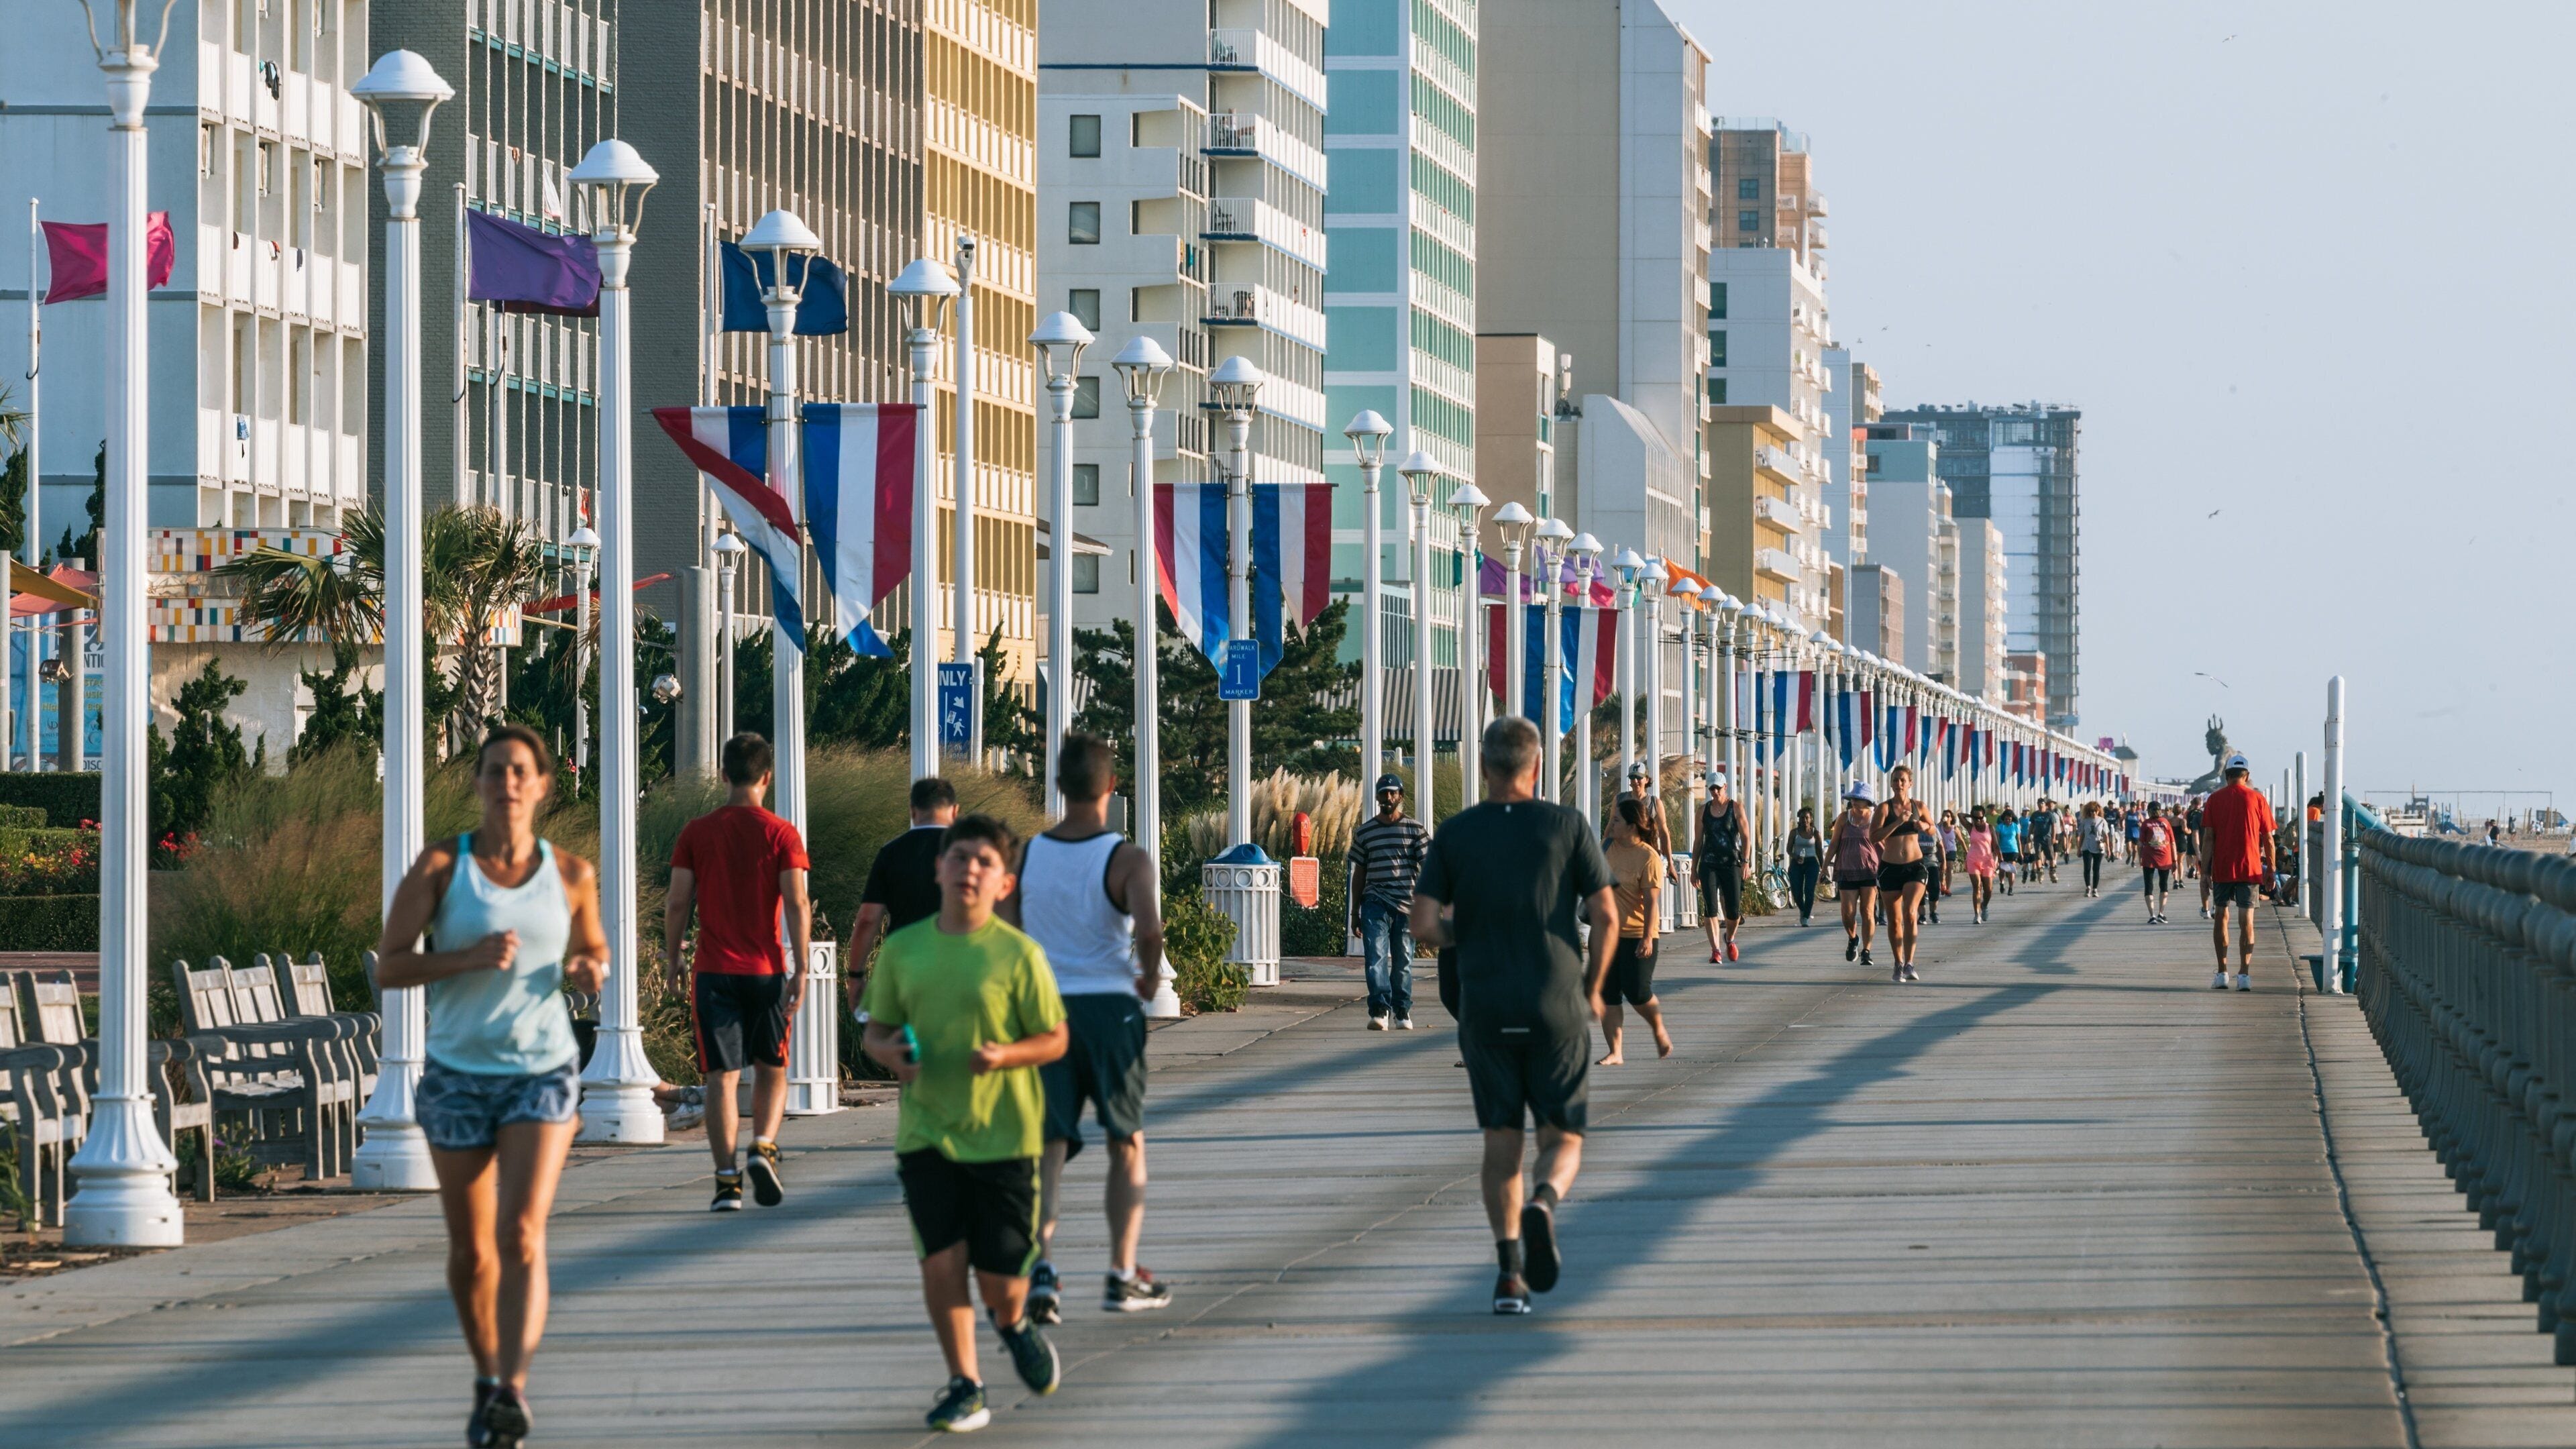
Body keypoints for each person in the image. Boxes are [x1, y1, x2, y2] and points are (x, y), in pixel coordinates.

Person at [378, 726, 606, 1449]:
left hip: (541, 1071)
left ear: (543, 786)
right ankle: (485, 1379)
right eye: (495, 771)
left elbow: (592, 945)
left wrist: (588, 969)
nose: (507, 783)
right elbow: (389, 966)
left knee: (523, 1234)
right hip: (456, 1074)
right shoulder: (443, 868)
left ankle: (513, 1387)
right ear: (477, 784)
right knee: (474, 1251)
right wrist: (466, 958)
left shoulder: (571, 872)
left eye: (520, 772)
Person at [861, 814, 1071, 1432]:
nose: (969, 869)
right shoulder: (904, 950)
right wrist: (886, 1052)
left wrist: (1006, 1055)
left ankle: (1013, 1325)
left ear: (1004, 883)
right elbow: (877, 1028)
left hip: (1005, 1136)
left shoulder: (1019, 955)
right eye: (960, 858)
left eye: (984, 862)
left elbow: (1055, 1038)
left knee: (1000, 1284)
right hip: (928, 1132)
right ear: (939, 868)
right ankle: (966, 1383)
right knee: (940, 1262)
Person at [1409, 715, 1618, 1317]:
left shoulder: (1455, 834)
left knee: (1502, 1145)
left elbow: (1423, 925)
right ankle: (1545, 1203)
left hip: (1485, 1008)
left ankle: (1508, 1276)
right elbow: (1605, 915)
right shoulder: (1566, 826)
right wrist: (1594, 987)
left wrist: (1461, 933)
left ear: (1484, 767)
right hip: (1556, 1005)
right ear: (1536, 767)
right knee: (1563, 1139)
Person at [1004, 734, 1172, 1325]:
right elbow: (1148, 932)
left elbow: (1009, 932)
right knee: (1126, 1140)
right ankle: (1122, 1273)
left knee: (1047, 1146)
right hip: (1109, 1009)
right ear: (1111, 786)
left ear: (1058, 786)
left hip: (1047, 1011)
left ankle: (1042, 1269)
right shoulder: (1126, 859)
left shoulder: (1026, 856)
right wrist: (1148, 980)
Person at [663, 732, 814, 1212]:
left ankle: (727, 1181)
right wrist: (802, 968)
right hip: (766, 969)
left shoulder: (696, 832)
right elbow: (796, 901)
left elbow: (676, 902)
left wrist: (673, 957)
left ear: (724, 775)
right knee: (772, 1067)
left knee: (721, 1078)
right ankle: (763, 1144)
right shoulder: (782, 834)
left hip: (713, 972)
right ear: (767, 777)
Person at [849, 777, 961, 1009]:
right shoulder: (970, 855)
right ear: (955, 811)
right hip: (959, 965)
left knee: (903, 1041)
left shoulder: (891, 853)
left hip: (904, 967)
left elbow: (868, 919)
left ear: (912, 811)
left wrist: (855, 976)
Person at [1348, 772, 1432, 1030]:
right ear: (1377, 797)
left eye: (1392, 793)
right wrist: (1355, 912)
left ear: (1400, 796)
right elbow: (1359, 873)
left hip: (1406, 905)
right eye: (1383, 793)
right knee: (1375, 958)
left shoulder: (1415, 830)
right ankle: (1379, 1009)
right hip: (1375, 903)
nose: (1388, 797)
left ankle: (1402, 1011)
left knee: (1403, 961)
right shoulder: (1365, 833)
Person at [2199, 754, 2275, 991]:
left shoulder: (2214, 799)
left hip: (2222, 866)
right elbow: (2269, 838)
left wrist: (2204, 872)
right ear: (2247, 776)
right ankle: (2244, 976)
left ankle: (2222, 973)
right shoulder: (2258, 799)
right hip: (2251, 867)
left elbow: (2209, 837)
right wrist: (2271, 868)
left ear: (2226, 775)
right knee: (2247, 920)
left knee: (2221, 915)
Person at [1872, 765, 1933, 983]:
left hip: (1915, 866)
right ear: (1891, 784)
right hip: (1890, 867)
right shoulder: (1884, 809)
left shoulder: (1919, 806)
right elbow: (1874, 836)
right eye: (1896, 780)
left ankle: (1910, 963)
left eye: (1903, 780)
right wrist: (1898, 822)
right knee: (1894, 919)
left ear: (1910, 783)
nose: (1899, 784)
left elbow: (1933, 828)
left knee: (1910, 913)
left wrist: (1922, 825)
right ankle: (1898, 963)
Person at [1694, 775, 1752, 959]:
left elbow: (1746, 837)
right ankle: (1716, 950)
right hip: (1709, 864)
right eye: (1712, 788)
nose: (1715, 792)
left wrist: (1746, 862)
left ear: (1725, 787)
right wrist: (1694, 869)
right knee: (1710, 908)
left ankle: (1730, 938)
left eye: (1718, 788)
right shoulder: (1703, 811)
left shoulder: (1736, 808)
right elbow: (1698, 842)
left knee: (1733, 911)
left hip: (1731, 863)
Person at [1829, 784, 1882, 965]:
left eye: (1857, 798)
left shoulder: (1875, 819)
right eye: (1852, 798)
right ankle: (1853, 938)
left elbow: (1882, 844)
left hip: (1869, 870)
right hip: (1846, 869)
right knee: (1848, 914)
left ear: (1866, 801)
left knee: (1868, 911)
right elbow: (1834, 843)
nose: (1853, 801)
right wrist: (1824, 867)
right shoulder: (1844, 818)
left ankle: (1867, 950)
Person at [2139, 802, 2178, 922]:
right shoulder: (2166, 823)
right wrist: (2174, 860)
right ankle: (2161, 913)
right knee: (2164, 885)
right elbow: (2172, 843)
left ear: (2149, 811)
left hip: (2149, 858)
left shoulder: (2146, 824)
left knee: (2149, 886)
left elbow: (2140, 844)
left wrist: (2140, 858)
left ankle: (2152, 915)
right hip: (2165, 857)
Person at [1785, 806, 1823, 927]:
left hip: (1812, 863)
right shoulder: (1794, 833)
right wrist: (1795, 857)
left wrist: (1824, 868)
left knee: (1809, 890)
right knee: (1797, 891)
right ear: (1799, 819)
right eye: (1802, 818)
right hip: (1797, 863)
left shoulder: (1815, 833)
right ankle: (1802, 908)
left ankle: (1806, 916)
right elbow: (1788, 849)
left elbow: (1819, 852)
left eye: (1807, 818)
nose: (1804, 820)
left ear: (1811, 819)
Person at [1962, 808, 1998, 923]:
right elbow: (1960, 815)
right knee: (1977, 887)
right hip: (1973, 860)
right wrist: (1971, 815)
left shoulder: (1990, 828)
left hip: (1987, 861)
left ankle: (1984, 906)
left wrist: (2001, 860)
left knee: (1988, 890)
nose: (1978, 820)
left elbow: (1996, 846)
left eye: (1980, 818)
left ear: (1984, 817)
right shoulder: (1970, 828)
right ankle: (1976, 915)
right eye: (1975, 818)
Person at [2075, 800, 2112, 898]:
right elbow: (2082, 835)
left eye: (2095, 811)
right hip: (2087, 847)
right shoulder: (2085, 821)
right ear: (2088, 811)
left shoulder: (2102, 821)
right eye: (2092, 811)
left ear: (2098, 811)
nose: (2094, 813)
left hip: (2098, 848)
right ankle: (2088, 887)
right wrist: (2079, 849)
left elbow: (2106, 836)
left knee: (2096, 869)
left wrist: (2109, 850)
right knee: (2087, 868)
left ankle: (2095, 889)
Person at [2028, 800, 2059, 885]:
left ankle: (2052, 873)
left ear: (2045, 804)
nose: (2040, 805)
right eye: (2039, 803)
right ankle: (2040, 873)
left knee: (2051, 857)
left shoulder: (2049, 814)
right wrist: (2029, 835)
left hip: (2047, 839)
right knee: (2037, 856)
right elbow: (2032, 825)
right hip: (2037, 838)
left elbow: (2054, 826)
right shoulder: (2035, 814)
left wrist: (2053, 837)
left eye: (2042, 803)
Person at [1992, 808, 2022, 896]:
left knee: (2011, 869)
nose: (2008, 821)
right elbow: (1997, 840)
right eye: (2006, 819)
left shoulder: (2016, 826)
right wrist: (1996, 851)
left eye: (2009, 819)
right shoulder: (2000, 827)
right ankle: (2002, 883)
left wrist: (2021, 853)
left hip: (2013, 850)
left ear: (2012, 818)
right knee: (2002, 870)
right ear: (2003, 819)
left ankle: (2010, 888)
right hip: (2003, 851)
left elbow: (2018, 841)